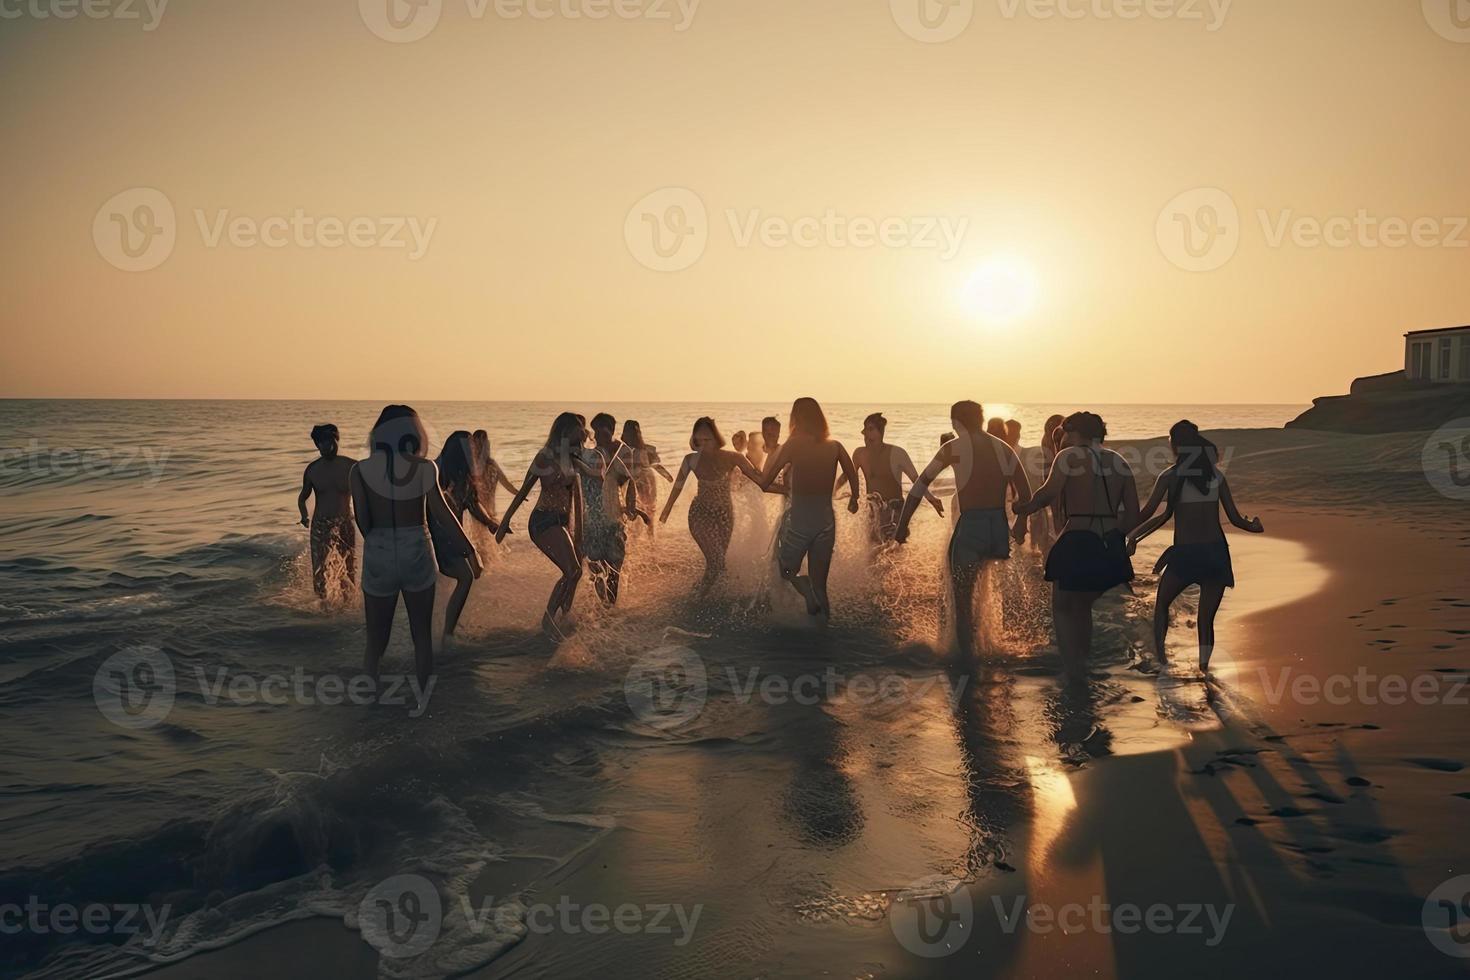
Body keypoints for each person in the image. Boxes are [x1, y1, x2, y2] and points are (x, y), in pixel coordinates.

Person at [350, 406, 477, 690]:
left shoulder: (359, 471)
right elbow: (443, 514)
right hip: (416, 547)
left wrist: (380, 544)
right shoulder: (424, 467)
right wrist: (469, 550)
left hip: (379, 546)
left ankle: (369, 706)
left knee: (375, 644)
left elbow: (362, 520)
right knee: (422, 638)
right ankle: (424, 705)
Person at [1127, 421, 1264, 673]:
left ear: (1175, 445)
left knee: (1161, 607)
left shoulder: (1169, 477)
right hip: (1215, 553)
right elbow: (1234, 519)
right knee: (1205, 620)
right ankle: (1204, 671)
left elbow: (1149, 513)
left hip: (1186, 556)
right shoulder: (1216, 476)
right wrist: (1254, 526)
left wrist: (1124, 532)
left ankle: (1162, 662)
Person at [896, 401, 1032, 657]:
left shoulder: (953, 448)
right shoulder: (1003, 448)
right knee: (984, 588)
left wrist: (903, 524)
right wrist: (1022, 524)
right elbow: (1025, 493)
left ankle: (966, 662)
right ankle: (988, 645)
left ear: (956, 422)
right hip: (997, 529)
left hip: (971, 527)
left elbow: (920, 485)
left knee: (962, 601)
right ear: (981, 419)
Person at [1014, 412, 1139, 672]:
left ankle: (1071, 666)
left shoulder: (1068, 456)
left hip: (1077, 538)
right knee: (1083, 607)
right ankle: (1083, 659)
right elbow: (1133, 513)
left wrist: (1023, 508)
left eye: (1066, 432)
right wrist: (1114, 537)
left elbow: (1048, 493)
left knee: (1061, 606)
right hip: (1108, 543)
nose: (1063, 438)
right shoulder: (1120, 461)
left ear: (1075, 432)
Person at [496, 413, 604, 635]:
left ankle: (564, 617)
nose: (580, 439)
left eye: (581, 436)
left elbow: (582, 495)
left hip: (563, 523)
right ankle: (548, 621)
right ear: (563, 433)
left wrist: (579, 537)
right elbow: (523, 491)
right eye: (576, 434)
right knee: (572, 570)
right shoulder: (544, 457)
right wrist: (503, 523)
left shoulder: (573, 461)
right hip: (543, 520)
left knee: (575, 573)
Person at [754, 398, 860, 616]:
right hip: (825, 522)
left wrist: (750, 472)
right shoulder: (835, 446)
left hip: (799, 521)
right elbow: (851, 473)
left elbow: (765, 483)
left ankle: (805, 590)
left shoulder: (793, 445)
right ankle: (823, 636)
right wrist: (854, 498)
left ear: (796, 418)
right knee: (821, 585)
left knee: (785, 570)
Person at [660, 417, 764, 594]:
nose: (703, 445)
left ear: (716, 438)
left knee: (717, 563)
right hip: (700, 513)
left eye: (707, 440)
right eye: (698, 441)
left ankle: (708, 596)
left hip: (724, 514)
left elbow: (759, 478)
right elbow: (677, 487)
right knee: (716, 562)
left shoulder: (733, 457)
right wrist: (667, 509)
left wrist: (785, 487)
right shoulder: (690, 460)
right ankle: (697, 597)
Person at [431, 431, 497, 643]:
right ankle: (446, 633)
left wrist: (490, 523)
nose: (474, 451)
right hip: (439, 536)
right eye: (470, 448)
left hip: (455, 535)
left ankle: (448, 621)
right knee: (466, 576)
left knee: (472, 573)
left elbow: (472, 502)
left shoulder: (464, 473)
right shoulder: (437, 472)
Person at [843, 412, 942, 545]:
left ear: (881, 432)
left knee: (892, 553)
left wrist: (931, 498)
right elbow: (848, 475)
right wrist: (832, 493)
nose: (865, 433)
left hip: (894, 511)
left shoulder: (897, 453)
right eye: (865, 429)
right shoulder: (860, 454)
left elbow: (916, 479)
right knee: (872, 552)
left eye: (870, 429)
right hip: (874, 512)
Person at [582, 413, 649, 604]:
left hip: (613, 519)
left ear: (611, 430)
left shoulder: (622, 451)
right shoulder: (592, 454)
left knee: (614, 567)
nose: (598, 436)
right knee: (595, 566)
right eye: (595, 432)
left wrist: (631, 508)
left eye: (602, 431)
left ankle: (610, 606)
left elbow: (630, 481)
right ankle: (601, 603)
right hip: (593, 519)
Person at [297, 423, 357, 600]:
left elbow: (369, 492)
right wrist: (304, 516)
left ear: (336, 440)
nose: (325, 446)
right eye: (320, 443)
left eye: (329, 441)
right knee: (320, 570)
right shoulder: (312, 470)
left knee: (349, 567)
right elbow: (303, 497)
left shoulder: (352, 466)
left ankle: (348, 605)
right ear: (316, 445)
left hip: (345, 522)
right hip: (321, 525)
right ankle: (323, 608)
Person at [621, 420, 673, 532]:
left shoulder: (647, 448)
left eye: (635, 431)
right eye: (631, 431)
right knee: (637, 508)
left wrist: (667, 476)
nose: (634, 434)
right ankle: (640, 535)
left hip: (645, 479)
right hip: (634, 480)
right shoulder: (623, 450)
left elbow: (655, 465)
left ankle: (649, 536)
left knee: (648, 508)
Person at [470, 429, 519, 518]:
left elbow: (507, 484)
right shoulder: (491, 465)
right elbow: (507, 484)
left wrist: (520, 494)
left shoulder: (471, 465)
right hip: (486, 513)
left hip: (477, 514)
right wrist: (520, 494)